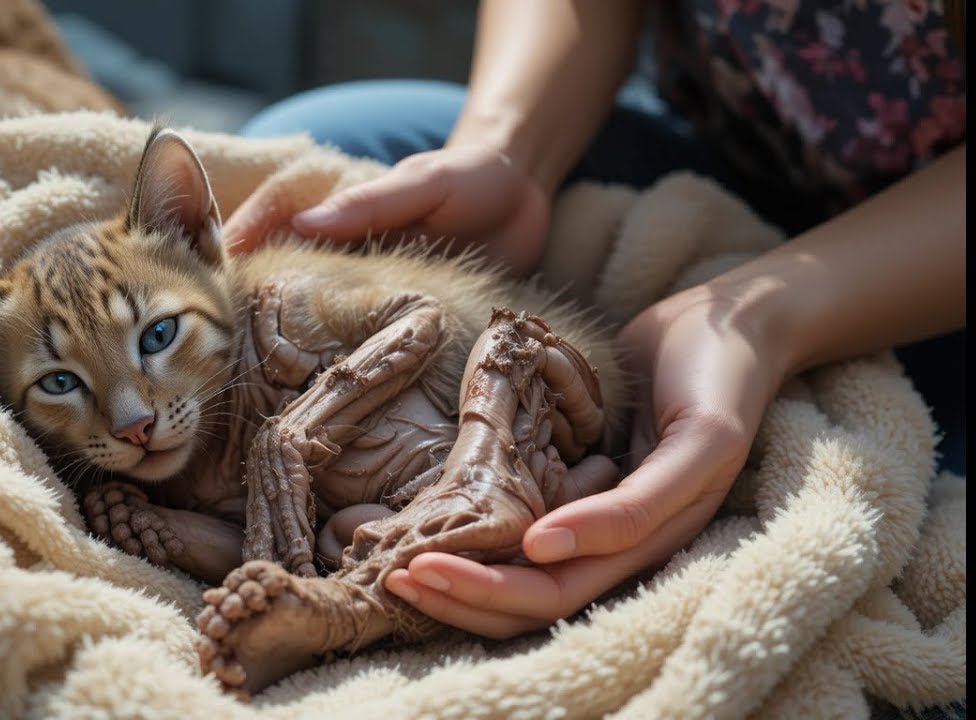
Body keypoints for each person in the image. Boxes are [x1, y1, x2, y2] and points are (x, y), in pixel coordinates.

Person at [226, 1, 965, 639]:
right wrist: (510, 150)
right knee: (320, 136)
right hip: (717, 143)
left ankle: (396, 569)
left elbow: (442, 329)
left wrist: (759, 319)